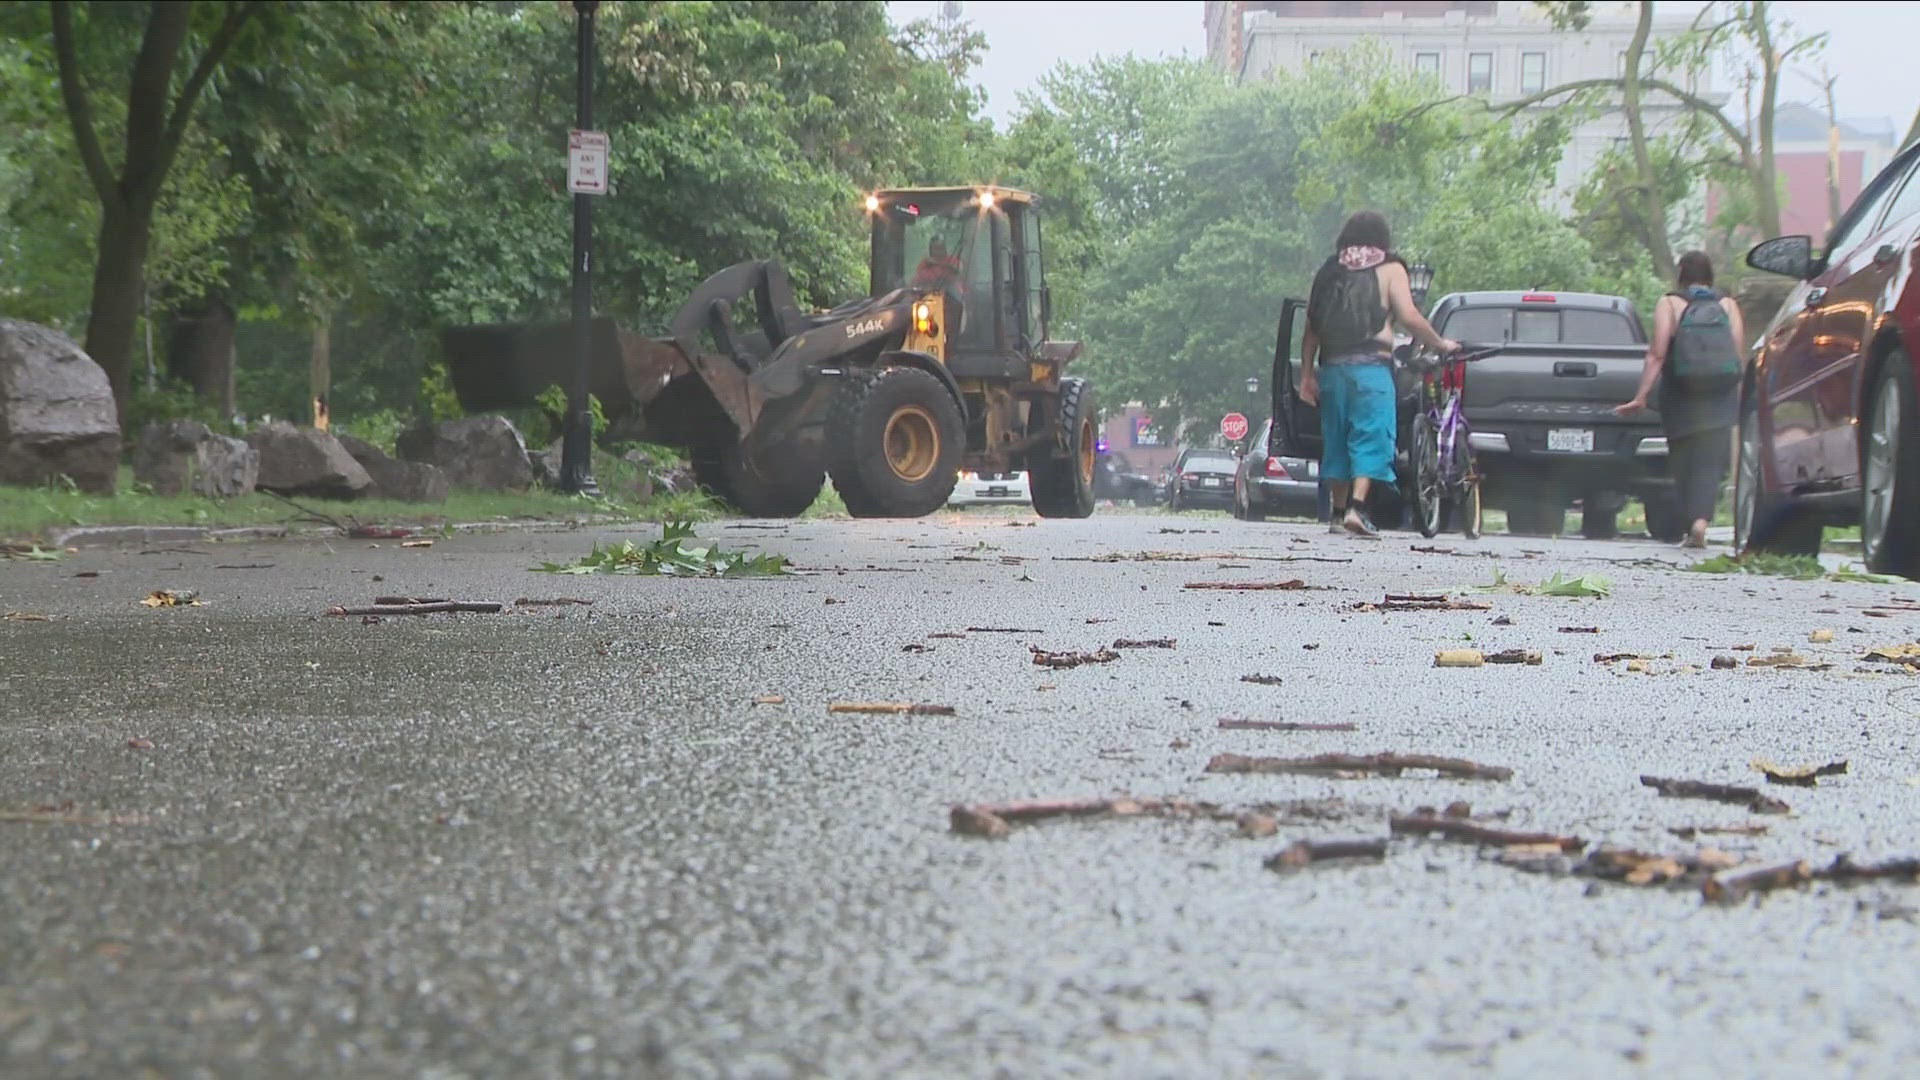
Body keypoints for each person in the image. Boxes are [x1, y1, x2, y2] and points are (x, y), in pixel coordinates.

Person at [1300, 211, 1458, 537]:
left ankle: (1338, 514)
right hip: (1371, 367)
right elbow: (1409, 316)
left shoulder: (1331, 269)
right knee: (1372, 434)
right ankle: (1357, 509)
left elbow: (1312, 326)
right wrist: (1439, 343)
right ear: (1382, 238)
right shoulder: (1389, 268)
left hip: (1331, 368)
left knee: (1338, 439)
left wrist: (1306, 376)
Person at [1614, 251, 1745, 548]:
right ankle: (1701, 522)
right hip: (1720, 396)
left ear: (1681, 273)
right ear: (1710, 273)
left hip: (1681, 396)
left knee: (1684, 460)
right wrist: (1738, 397)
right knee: (1709, 464)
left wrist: (1641, 396)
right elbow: (1737, 356)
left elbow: (1658, 353)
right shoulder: (1728, 305)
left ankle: (1691, 526)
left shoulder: (1670, 303)